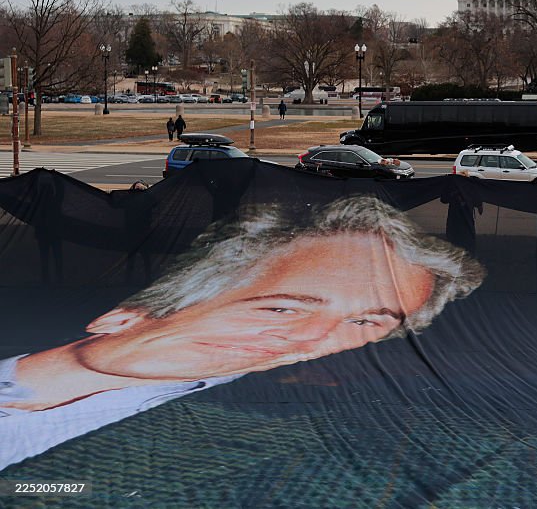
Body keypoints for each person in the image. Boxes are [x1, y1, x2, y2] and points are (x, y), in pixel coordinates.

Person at [0, 195, 484, 471]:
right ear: (131, 314)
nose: (309, 338)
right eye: (279, 307)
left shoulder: (257, 445)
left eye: (363, 323)